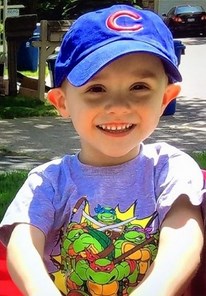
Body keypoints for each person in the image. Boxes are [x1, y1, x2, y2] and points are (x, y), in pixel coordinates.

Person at [0, 4, 205, 296]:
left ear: (166, 98)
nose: (119, 106)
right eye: (96, 89)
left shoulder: (170, 169)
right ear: (62, 103)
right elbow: (23, 247)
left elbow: (184, 240)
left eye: (139, 86)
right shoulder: (48, 181)